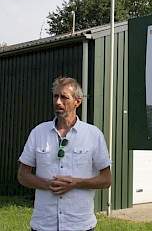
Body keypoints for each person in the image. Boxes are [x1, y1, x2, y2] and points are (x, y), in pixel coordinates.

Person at [18, 77, 112, 231]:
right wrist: (48, 185)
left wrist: (76, 183)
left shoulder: (93, 135)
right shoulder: (38, 132)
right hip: (43, 224)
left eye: (64, 97)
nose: (58, 102)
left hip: (80, 225)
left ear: (77, 101)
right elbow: (22, 175)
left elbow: (106, 179)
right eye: (55, 96)